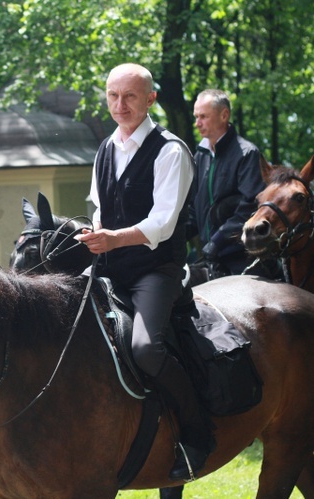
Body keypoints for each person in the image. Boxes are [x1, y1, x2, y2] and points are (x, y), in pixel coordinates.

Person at [77, 64, 214, 481]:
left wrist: (113, 239)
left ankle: (197, 433)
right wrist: (93, 234)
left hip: (157, 270)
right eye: (113, 96)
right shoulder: (105, 148)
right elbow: (100, 208)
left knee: (145, 350)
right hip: (109, 265)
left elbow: (163, 224)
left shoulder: (172, 150)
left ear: (150, 98)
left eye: (130, 96)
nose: (120, 105)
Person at [188, 89, 266, 277]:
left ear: (224, 115)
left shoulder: (247, 154)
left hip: (242, 258)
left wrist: (217, 241)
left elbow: (251, 208)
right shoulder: (200, 155)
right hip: (211, 259)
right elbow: (194, 209)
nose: (197, 123)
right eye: (196, 116)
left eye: (203, 116)